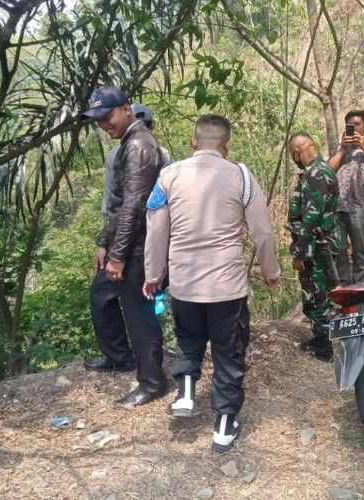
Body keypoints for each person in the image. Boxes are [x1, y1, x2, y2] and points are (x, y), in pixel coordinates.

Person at [144, 114, 281, 453]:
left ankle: (186, 391)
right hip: (226, 288)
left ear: (194, 142)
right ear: (227, 145)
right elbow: (262, 232)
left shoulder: (168, 176)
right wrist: (270, 270)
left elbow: (157, 231)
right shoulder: (242, 177)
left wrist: (153, 275)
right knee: (228, 354)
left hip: (185, 284)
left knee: (189, 340)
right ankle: (223, 425)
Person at [82, 87, 168, 407]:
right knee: (101, 293)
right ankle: (120, 356)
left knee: (139, 312)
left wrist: (118, 255)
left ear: (127, 109)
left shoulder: (139, 145)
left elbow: (135, 205)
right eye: (99, 120)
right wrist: (105, 243)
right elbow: (119, 205)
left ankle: (152, 381)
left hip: (138, 247)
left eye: (108, 116)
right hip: (124, 242)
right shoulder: (128, 144)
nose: (105, 124)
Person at [288, 132, 340, 361]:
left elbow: (311, 217)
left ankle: (323, 345)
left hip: (316, 246)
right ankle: (321, 339)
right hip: (319, 243)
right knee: (319, 291)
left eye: (293, 155)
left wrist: (299, 250)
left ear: (297, 152)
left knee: (315, 293)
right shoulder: (321, 170)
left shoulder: (316, 174)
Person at [328, 110, 364, 284]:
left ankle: (360, 284)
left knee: (359, 249)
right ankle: (345, 284)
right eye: (350, 125)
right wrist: (343, 149)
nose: (354, 128)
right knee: (340, 248)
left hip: (359, 206)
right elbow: (329, 170)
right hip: (339, 205)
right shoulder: (341, 147)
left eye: (358, 124)